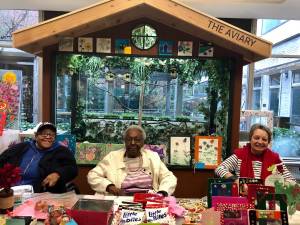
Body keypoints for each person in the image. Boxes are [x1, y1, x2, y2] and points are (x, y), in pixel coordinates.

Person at [87, 125, 177, 196]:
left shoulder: (153, 157)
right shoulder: (112, 157)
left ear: (143, 142)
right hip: (120, 202)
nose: (133, 143)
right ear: (125, 141)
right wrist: (110, 187)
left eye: (137, 140)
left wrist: (161, 193)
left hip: (149, 202)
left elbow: (169, 177)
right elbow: (92, 175)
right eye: (129, 140)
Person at [0, 122, 78, 193]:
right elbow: (3, 159)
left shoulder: (61, 151)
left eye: (51, 135)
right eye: (43, 134)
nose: (47, 137)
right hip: (10, 191)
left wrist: (58, 174)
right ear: (36, 136)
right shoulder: (22, 147)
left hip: (40, 194)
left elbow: (72, 168)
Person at [215, 123, 295, 183]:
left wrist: (281, 185)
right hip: (243, 199)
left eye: (264, 139)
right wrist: (235, 179)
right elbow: (219, 169)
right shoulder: (239, 155)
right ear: (250, 138)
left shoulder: (275, 159)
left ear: (268, 142)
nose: (260, 142)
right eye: (256, 138)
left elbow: (291, 180)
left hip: (267, 201)